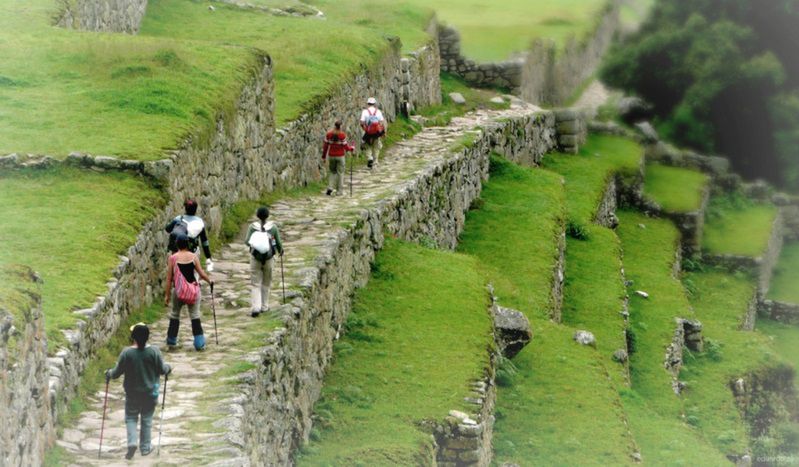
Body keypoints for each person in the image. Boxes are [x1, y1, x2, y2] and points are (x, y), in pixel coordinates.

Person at [105, 323, 171, 460]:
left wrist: (109, 374)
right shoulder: (154, 351)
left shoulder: (127, 353)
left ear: (133, 337)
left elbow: (117, 372)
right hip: (150, 393)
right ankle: (145, 448)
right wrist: (168, 368)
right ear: (148, 337)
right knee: (146, 419)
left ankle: (132, 443)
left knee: (131, 418)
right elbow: (162, 369)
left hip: (132, 393)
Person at [164, 234, 213, 350]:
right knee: (195, 315)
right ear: (188, 244)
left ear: (177, 244)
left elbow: (169, 278)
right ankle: (199, 343)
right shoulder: (193, 257)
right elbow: (201, 274)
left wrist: (167, 295)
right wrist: (209, 281)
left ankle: (171, 341)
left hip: (179, 291)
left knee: (175, 314)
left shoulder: (173, 258)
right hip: (193, 291)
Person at [244, 206, 284, 317]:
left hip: (255, 258)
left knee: (255, 283)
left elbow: (247, 242)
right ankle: (265, 306)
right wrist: (280, 251)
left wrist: (255, 243)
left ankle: (256, 307)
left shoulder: (252, 227)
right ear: (268, 215)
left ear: (257, 215)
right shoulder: (273, 228)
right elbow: (279, 244)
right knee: (266, 282)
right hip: (269, 258)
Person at [165, 199, 214, 272]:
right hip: (192, 251)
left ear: (185, 208)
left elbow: (168, 229)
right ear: (196, 210)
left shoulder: (178, 219)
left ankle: (174, 280)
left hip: (177, 251)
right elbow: (204, 241)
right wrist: (208, 256)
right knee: (194, 272)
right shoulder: (199, 222)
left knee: (174, 270)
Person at [322, 120, 355, 196]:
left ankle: (330, 187)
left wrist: (324, 156)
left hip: (331, 156)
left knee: (332, 172)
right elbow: (346, 147)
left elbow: (325, 146)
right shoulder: (342, 135)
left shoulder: (329, 134)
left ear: (334, 126)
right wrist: (352, 148)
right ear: (341, 126)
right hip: (340, 156)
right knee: (340, 173)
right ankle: (339, 191)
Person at [359, 97, 386, 169]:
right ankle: (376, 161)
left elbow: (362, 122)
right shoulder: (378, 111)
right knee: (376, 146)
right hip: (376, 133)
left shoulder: (365, 111)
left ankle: (369, 158)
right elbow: (381, 122)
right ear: (374, 104)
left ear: (368, 103)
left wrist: (365, 129)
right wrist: (382, 132)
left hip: (368, 132)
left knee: (366, 145)